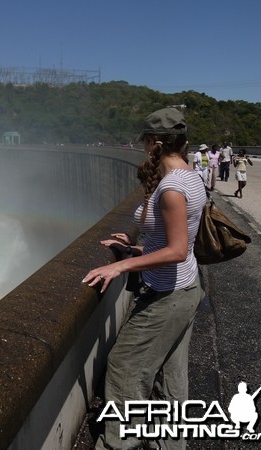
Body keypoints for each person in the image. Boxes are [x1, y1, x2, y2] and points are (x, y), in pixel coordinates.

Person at [84, 107, 207, 450]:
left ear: (152, 143)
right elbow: (173, 239)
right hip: (185, 287)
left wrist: (118, 266)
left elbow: (177, 249)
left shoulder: (172, 188)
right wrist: (136, 248)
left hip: (168, 295)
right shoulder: (191, 176)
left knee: (124, 366)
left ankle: (118, 444)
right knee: (170, 377)